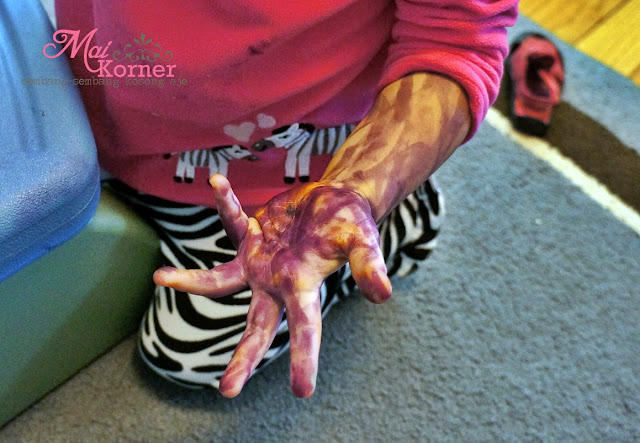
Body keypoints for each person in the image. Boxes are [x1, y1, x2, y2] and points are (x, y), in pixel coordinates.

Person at [54, 0, 518, 398]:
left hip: (274, 180)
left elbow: (455, 40)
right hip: (95, 87)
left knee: (186, 357)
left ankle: (391, 223)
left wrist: (359, 190)